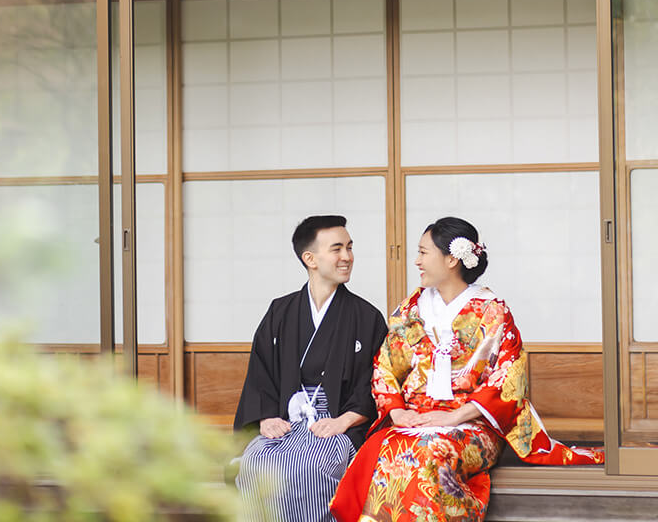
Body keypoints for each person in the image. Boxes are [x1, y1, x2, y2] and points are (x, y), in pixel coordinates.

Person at [331, 216, 603, 522]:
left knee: (429, 452)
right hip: (415, 419)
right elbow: (385, 367)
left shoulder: (491, 310)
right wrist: (397, 412)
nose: (416, 261)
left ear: (450, 259)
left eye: (423, 252)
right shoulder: (410, 309)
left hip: (473, 424)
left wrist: (453, 417)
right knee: (389, 451)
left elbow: (507, 380)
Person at [233, 215, 390, 522]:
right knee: (254, 464)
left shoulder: (366, 317)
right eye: (337, 249)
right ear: (310, 258)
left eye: (349, 247)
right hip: (285, 421)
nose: (347, 257)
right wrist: (265, 417)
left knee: (313, 469)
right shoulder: (281, 311)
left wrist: (344, 420)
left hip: (337, 424)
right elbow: (260, 372)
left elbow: (378, 382)